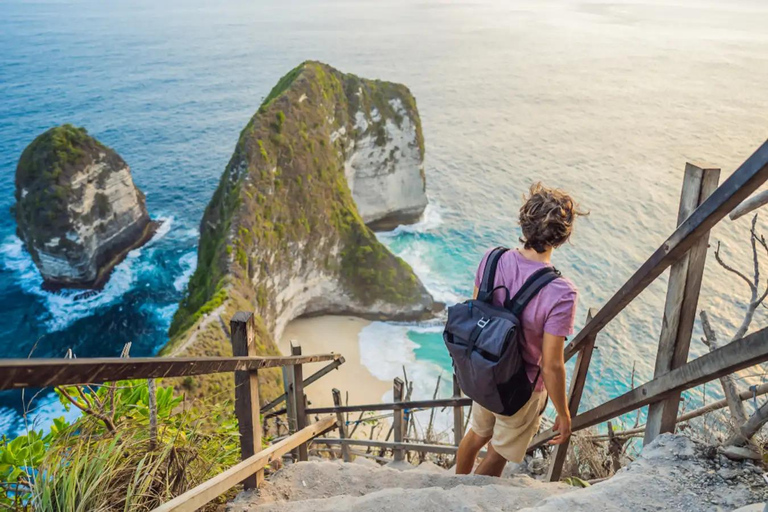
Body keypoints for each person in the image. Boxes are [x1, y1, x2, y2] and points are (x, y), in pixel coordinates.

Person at [455, 182, 587, 477]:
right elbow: (552, 365)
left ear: (525, 224)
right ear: (562, 236)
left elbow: (479, 314)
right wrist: (563, 414)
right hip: (522, 388)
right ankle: (462, 499)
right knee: (499, 452)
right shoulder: (561, 292)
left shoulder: (492, 259)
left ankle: (453, 487)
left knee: (476, 434)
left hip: (484, 370)